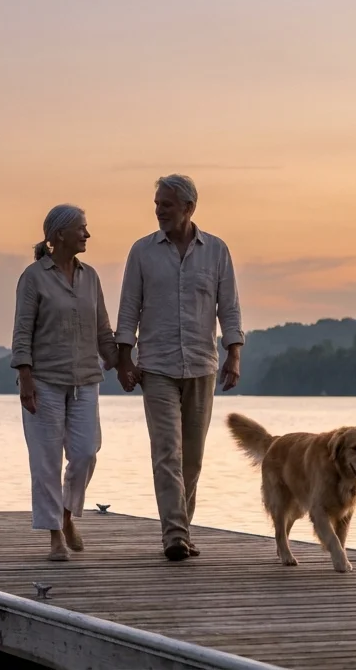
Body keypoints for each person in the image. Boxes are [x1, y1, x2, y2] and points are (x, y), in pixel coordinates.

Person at [114, 174, 245, 562]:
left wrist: (234, 354)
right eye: (156, 204)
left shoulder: (217, 251)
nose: (159, 211)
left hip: (202, 365)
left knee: (193, 457)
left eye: (166, 205)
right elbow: (128, 308)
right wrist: (125, 358)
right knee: (166, 451)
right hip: (156, 365)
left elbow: (230, 308)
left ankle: (182, 530)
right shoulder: (142, 252)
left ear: (189, 207)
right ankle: (173, 535)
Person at [10, 204, 118, 562]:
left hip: (86, 379)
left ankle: (69, 514)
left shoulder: (91, 277)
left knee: (86, 452)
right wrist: (25, 377)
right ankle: (55, 535)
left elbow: (104, 330)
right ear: (58, 235)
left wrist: (125, 363)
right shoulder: (34, 277)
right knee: (45, 462)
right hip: (44, 381)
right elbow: (22, 331)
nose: (87, 234)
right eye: (82, 229)